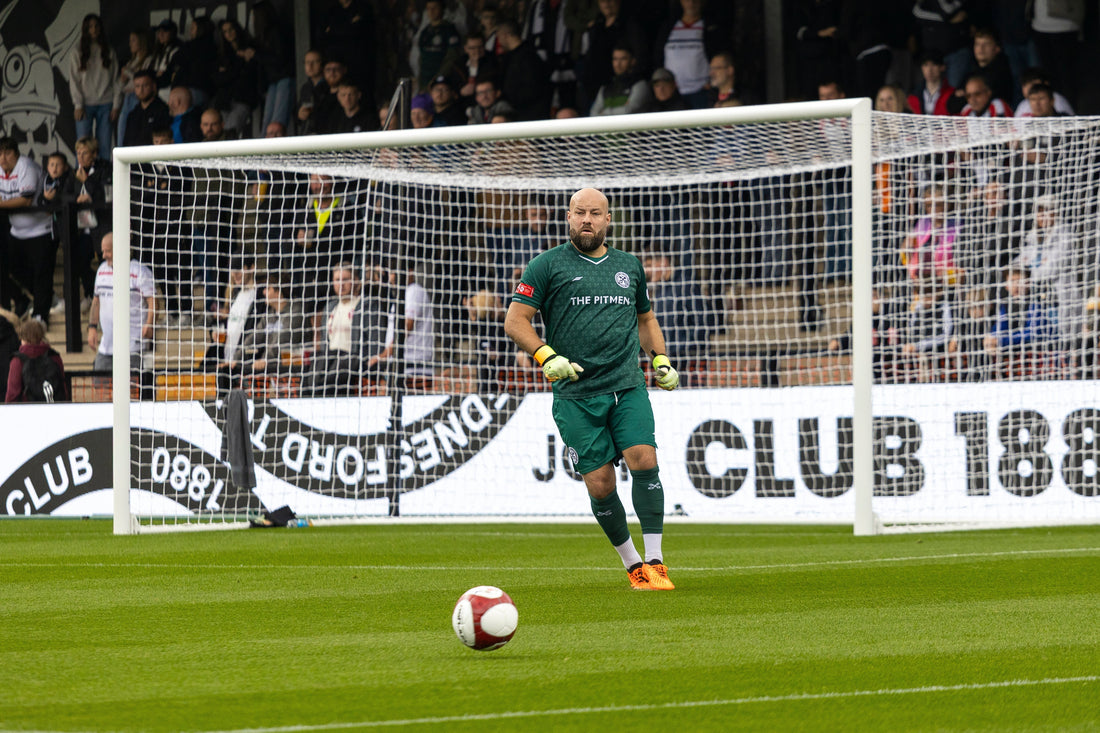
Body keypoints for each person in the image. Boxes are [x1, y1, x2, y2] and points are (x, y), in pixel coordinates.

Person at [504, 188, 679, 591]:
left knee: (643, 457)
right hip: (576, 396)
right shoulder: (546, 265)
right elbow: (516, 321)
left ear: (608, 219)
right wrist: (547, 356)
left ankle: (656, 562)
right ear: (568, 217)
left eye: (595, 213)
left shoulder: (628, 266)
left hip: (626, 385)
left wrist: (660, 360)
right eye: (580, 212)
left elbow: (646, 320)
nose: (587, 219)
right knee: (600, 484)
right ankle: (632, 563)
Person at [304, 262, 395, 397]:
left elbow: (375, 340)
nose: (341, 284)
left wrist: (369, 362)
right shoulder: (330, 307)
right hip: (330, 363)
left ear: (356, 281)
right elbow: (324, 342)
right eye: (337, 280)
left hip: (353, 363)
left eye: (346, 279)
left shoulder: (367, 306)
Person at [87, 232, 157, 398]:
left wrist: (149, 323)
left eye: (108, 251)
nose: (104, 255)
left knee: (130, 392)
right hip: (107, 344)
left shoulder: (139, 271)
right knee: (101, 388)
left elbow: (153, 301)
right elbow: (96, 301)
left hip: (132, 344)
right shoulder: (101, 271)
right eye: (103, 251)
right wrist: (92, 327)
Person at [0, 137, 54, 324]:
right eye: (0, 153)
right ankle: (45, 297)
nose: (3, 158)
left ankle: (41, 315)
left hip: (41, 229)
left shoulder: (26, 166)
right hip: (17, 231)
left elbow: (26, 200)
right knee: (12, 269)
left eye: (7, 153)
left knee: (41, 272)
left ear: (16, 153)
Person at [69, 14, 119, 160]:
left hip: (106, 102)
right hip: (85, 104)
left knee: (104, 145)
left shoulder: (109, 51)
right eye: (90, 26)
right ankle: (84, 179)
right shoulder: (77, 51)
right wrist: (78, 104)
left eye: (96, 26)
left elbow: (116, 80)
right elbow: (74, 81)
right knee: (83, 147)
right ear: (85, 29)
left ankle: (102, 180)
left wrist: (116, 105)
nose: (94, 29)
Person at [212, 19, 260, 139]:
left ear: (237, 30)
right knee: (219, 135)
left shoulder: (250, 47)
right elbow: (217, 79)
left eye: (231, 30)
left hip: (243, 98)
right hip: (224, 101)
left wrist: (229, 72)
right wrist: (237, 68)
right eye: (225, 31)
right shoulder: (222, 54)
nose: (228, 34)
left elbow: (251, 75)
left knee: (230, 133)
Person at [496, 19, 551, 121]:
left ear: (506, 35)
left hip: (530, 117)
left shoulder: (529, 58)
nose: (499, 41)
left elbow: (532, 89)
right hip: (518, 115)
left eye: (499, 36)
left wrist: (509, 99)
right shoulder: (511, 57)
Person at [6, 318, 68, 403]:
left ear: (22, 337)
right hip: (52, 409)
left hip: (27, 411)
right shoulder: (54, 356)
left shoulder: (18, 360)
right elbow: (63, 387)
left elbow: (13, 394)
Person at [115, 28, 154, 151]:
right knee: (121, 132)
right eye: (130, 41)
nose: (130, 44)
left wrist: (130, 74)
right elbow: (120, 87)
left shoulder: (148, 60)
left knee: (136, 131)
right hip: (126, 99)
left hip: (138, 98)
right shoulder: (130, 62)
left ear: (141, 42)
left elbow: (142, 81)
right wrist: (122, 78)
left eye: (133, 40)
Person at [588, 44, 649, 116]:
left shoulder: (640, 84)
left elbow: (629, 110)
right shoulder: (606, 88)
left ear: (633, 61)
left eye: (623, 59)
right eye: (615, 59)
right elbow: (593, 113)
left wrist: (605, 112)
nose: (618, 64)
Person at [122, 70, 170, 147]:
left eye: (145, 85)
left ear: (153, 86)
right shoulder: (133, 114)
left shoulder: (163, 111)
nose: (141, 90)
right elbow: (126, 142)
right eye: (137, 86)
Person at [907, 51, 954, 115]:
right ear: (922, 68)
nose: (929, 70)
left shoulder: (951, 93)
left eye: (934, 64)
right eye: (926, 65)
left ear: (942, 67)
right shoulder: (913, 95)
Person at [296, 49, 327, 135]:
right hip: (307, 134)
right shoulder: (306, 88)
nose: (310, 66)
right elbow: (297, 116)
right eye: (307, 62)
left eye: (314, 62)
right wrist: (300, 115)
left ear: (322, 64)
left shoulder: (329, 86)